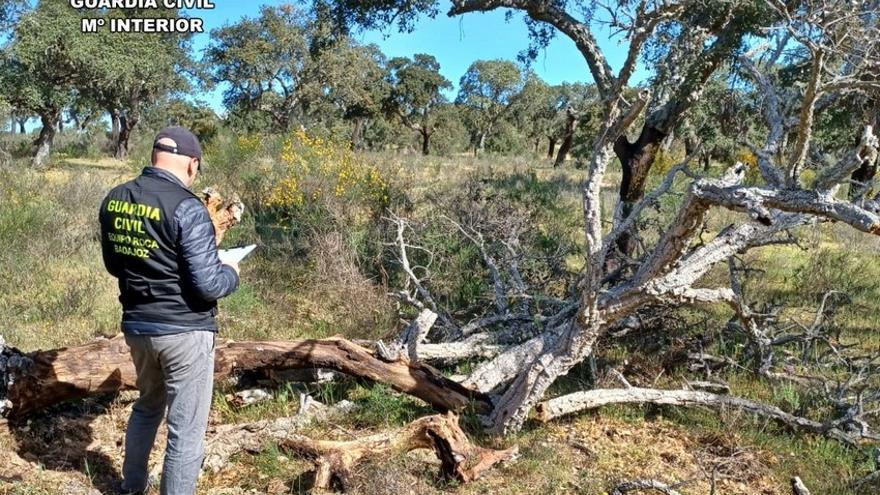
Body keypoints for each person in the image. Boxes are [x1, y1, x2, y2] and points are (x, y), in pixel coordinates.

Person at [98, 126, 240, 495]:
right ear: (192, 165)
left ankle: (131, 488)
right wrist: (231, 272)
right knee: (186, 430)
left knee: (147, 407)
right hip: (184, 332)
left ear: (153, 157)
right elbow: (208, 284)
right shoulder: (187, 208)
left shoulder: (116, 198)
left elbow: (115, 266)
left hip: (137, 327)